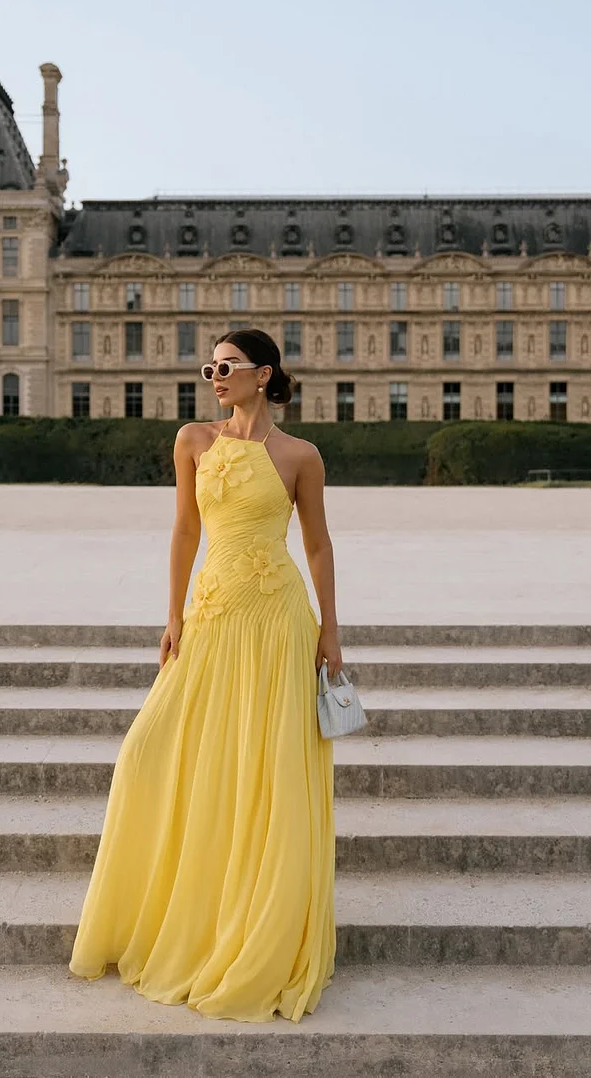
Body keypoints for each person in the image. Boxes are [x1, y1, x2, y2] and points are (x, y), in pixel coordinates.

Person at [68, 326, 342, 1023]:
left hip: (278, 621)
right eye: (209, 367)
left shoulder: (301, 456)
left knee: (267, 768)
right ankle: (190, 910)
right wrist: (172, 614)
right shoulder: (193, 440)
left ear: (263, 375)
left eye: (226, 367)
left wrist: (331, 629)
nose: (215, 377)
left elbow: (316, 545)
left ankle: (256, 922)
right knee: (145, 750)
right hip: (214, 615)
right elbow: (185, 530)